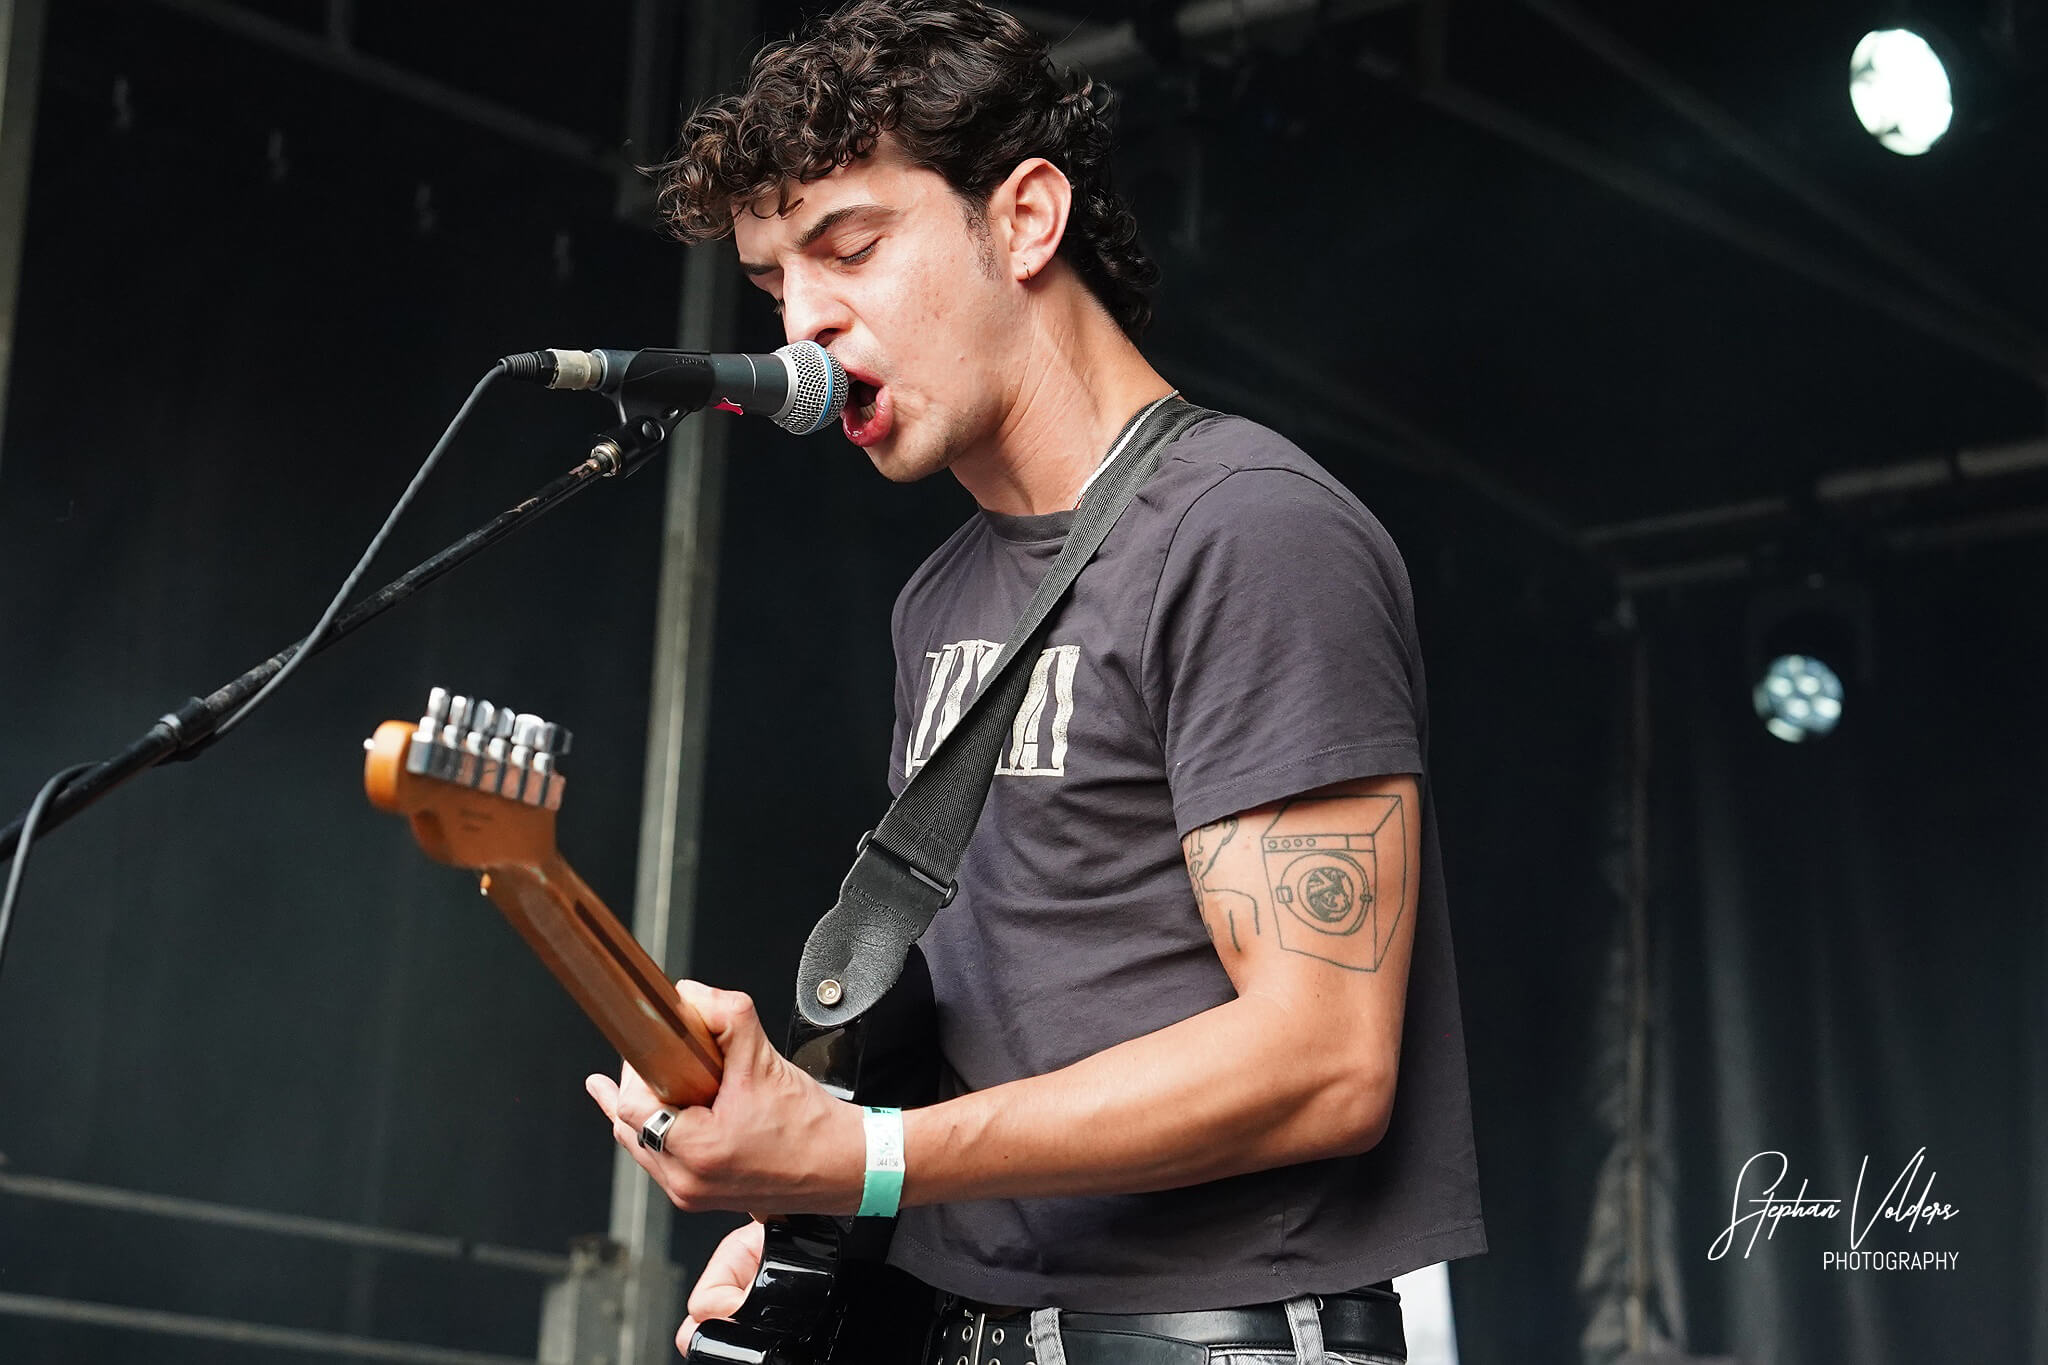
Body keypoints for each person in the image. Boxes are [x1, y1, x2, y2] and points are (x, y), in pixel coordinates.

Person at [582, 3, 1486, 1360]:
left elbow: (1324, 1060)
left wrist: (865, 1159)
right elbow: (996, 1047)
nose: (804, 326)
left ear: (1025, 219)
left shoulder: (1249, 530)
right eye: (774, 288)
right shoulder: (938, 598)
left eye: (850, 249)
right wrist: (816, 1216)